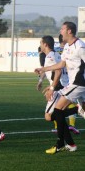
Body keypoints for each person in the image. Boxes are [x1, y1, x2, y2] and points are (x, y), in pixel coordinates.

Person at [35, 22, 85, 154]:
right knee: (59, 112)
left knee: (57, 111)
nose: (60, 31)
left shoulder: (80, 46)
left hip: (79, 84)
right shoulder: (67, 47)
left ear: (69, 31)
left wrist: (52, 88)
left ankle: (62, 144)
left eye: (62, 29)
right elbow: (61, 64)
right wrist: (43, 69)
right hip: (73, 84)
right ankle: (69, 143)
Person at [52, 34, 80, 134]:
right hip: (71, 81)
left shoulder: (55, 51)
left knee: (57, 106)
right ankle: (71, 125)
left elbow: (56, 66)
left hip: (60, 82)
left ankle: (57, 127)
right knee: (69, 105)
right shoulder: (70, 49)